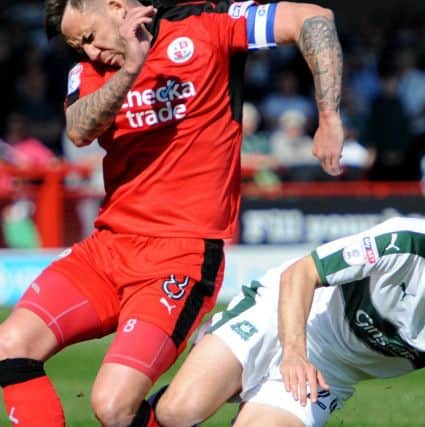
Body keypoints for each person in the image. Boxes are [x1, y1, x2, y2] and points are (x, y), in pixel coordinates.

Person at [0, 0, 344, 426]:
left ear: (115, 6)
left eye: (89, 38)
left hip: (181, 257)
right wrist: (130, 69)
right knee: (9, 342)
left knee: (112, 405)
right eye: (78, 47)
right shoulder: (92, 71)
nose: (89, 52)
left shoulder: (206, 24)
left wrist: (328, 114)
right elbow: (79, 128)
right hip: (107, 249)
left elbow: (313, 18)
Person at [156, 216, 425, 427]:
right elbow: (301, 273)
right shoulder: (405, 240)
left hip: (330, 372)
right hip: (282, 312)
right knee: (177, 412)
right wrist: (294, 353)